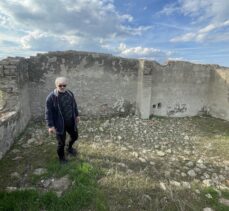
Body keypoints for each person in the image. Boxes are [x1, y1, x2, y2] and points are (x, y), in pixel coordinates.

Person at [45, 77, 79, 164]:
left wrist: (77, 115)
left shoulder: (70, 93)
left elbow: (74, 105)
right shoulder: (51, 97)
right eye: (60, 85)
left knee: (75, 136)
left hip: (71, 121)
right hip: (59, 124)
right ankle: (61, 158)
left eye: (64, 85)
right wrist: (50, 126)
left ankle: (69, 148)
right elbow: (48, 113)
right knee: (61, 143)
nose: (62, 87)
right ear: (56, 85)